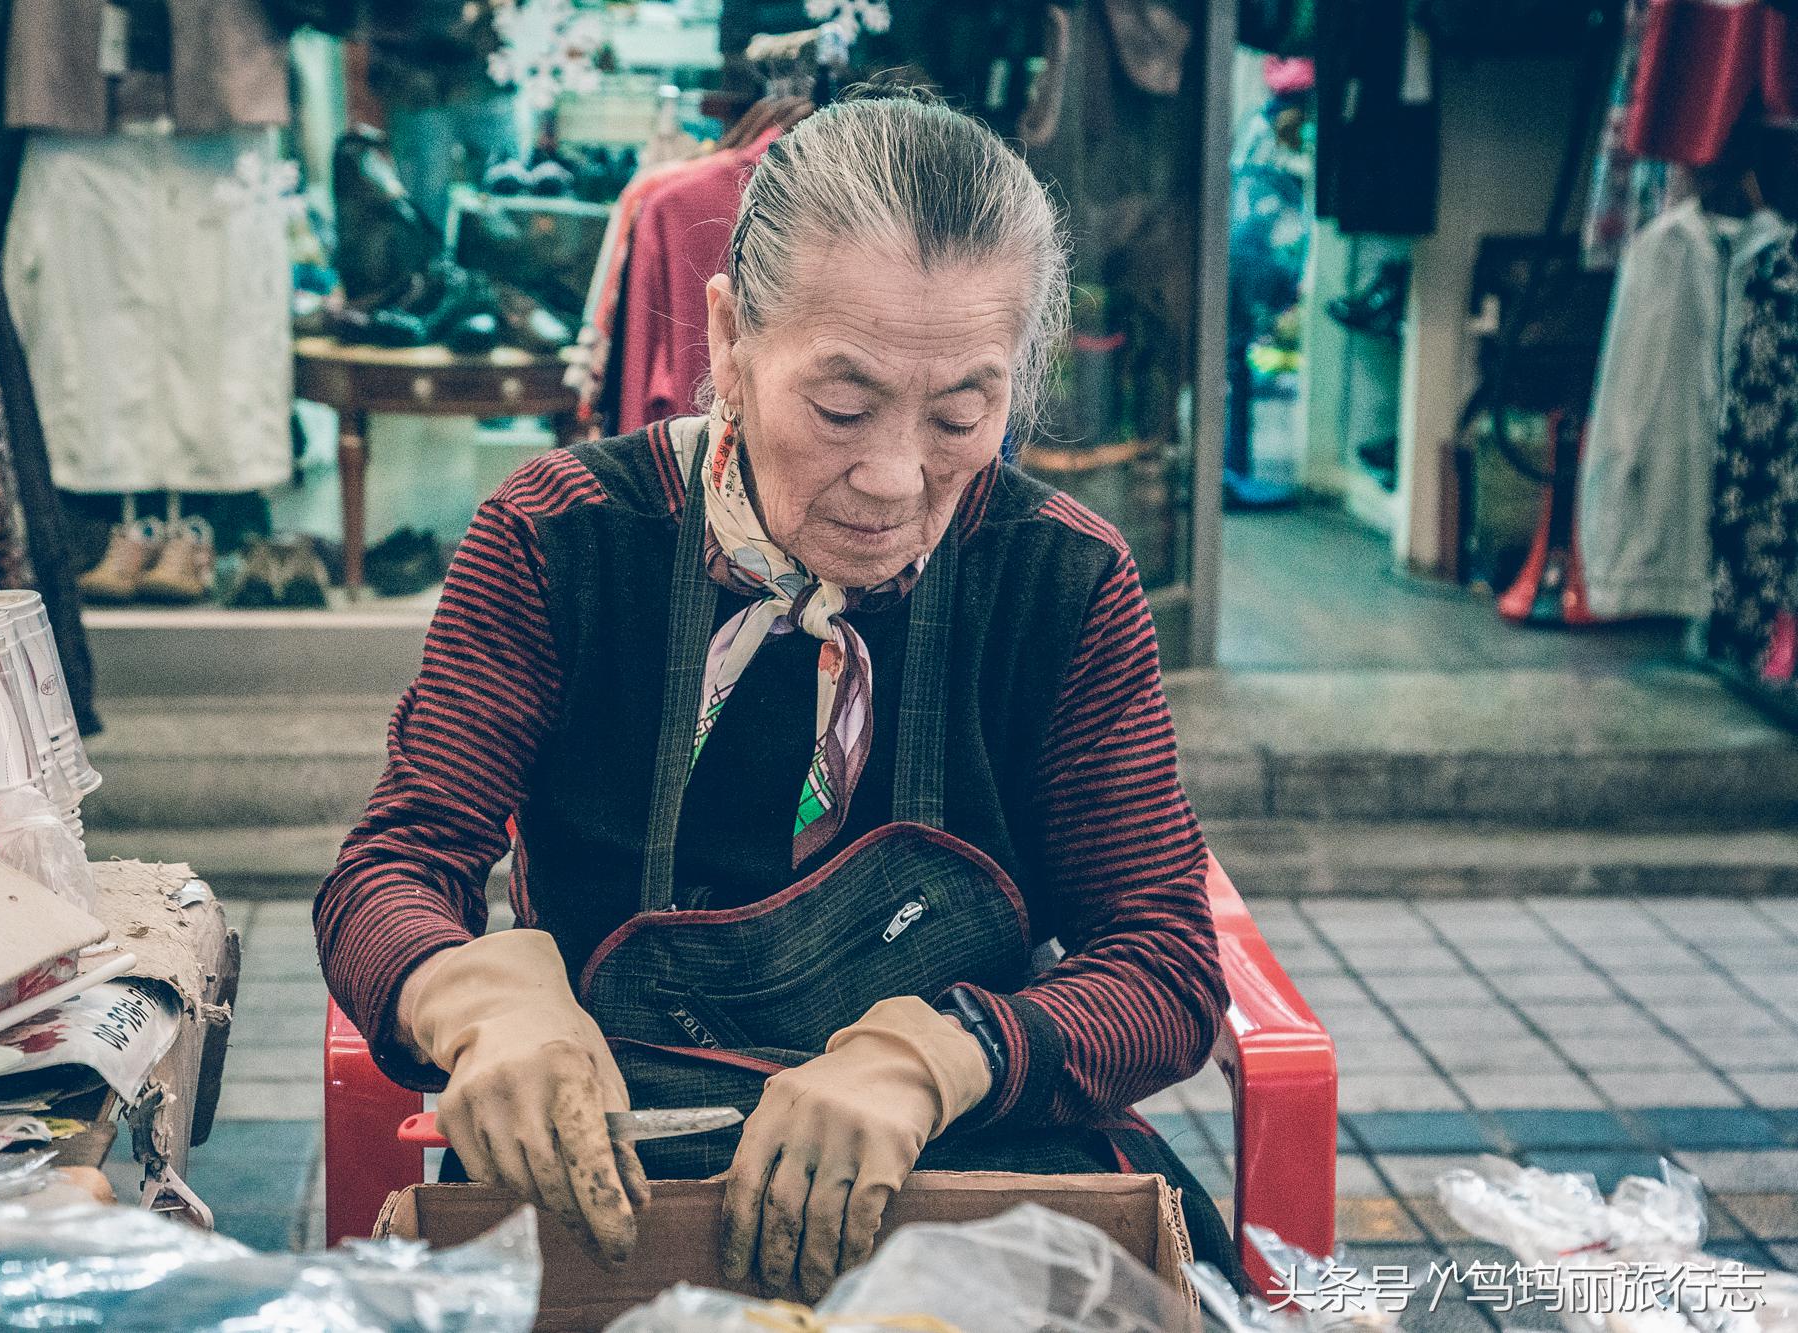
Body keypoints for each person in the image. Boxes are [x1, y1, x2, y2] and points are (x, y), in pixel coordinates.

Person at [316, 87, 1240, 1302]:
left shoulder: (1060, 583)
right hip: (622, 1178)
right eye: (842, 407)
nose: (897, 477)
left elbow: (1165, 964)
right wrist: (475, 996)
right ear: (729, 345)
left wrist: (943, 1052)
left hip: (963, 1161)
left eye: (963, 412)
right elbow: (388, 873)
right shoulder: (559, 542)